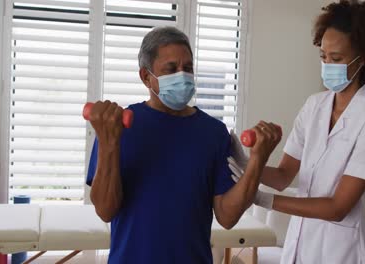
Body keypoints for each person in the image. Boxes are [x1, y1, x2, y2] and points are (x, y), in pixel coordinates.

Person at [86, 26, 280, 263]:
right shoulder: (118, 127)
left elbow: (227, 217)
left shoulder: (213, 132)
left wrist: (257, 160)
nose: (182, 75)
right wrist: (109, 143)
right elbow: (105, 211)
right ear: (146, 77)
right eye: (171, 69)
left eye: (187, 68)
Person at [229, 1, 365, 263]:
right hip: (297, 246)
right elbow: (284, 177)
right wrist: (248, 160)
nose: (327, 65)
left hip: (337, 252)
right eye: (323, 57)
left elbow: (337, 208)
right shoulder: (314, 106)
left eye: (336, 58)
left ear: (363, 58)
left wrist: (262, 200)